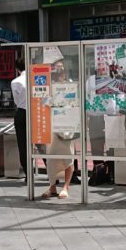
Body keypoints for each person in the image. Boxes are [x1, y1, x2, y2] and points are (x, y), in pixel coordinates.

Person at [42, 59, 75, 199]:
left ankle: (66, 186)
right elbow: (45, 102)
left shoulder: (71, 84)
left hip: (66, 125)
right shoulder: (49, 86)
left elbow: (73, 103)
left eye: (60, 68)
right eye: (55, 68)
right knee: (51, 157)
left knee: (68, 156)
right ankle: (52, 186)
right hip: (51, 126)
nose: (58, 71)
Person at [11, 57, 28, 176]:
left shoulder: (16, 81)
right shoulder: (36, 78)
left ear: (17, 69)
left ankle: (28, 173)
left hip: (22, 112)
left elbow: (16, 101)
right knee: (42, 144)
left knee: (23, 145)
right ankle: (51, 173)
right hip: (36, 112)